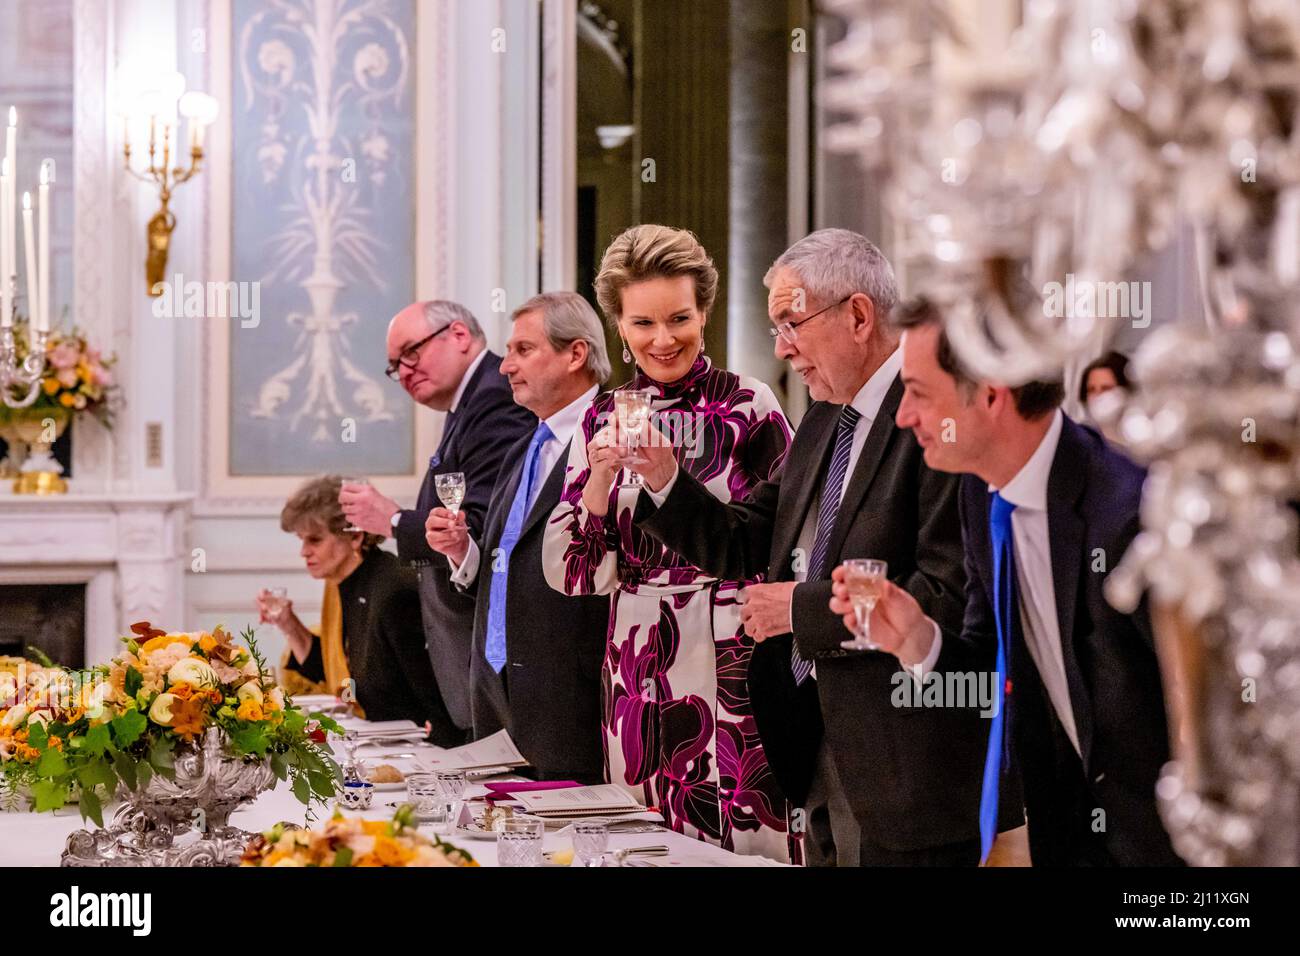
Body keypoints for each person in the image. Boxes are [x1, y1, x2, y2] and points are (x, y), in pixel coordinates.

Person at [632, 229, 1004, 866]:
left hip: (908, 761)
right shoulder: (825, 416)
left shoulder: (934, 419)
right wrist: (665, 478)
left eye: (791, 323)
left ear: (857, 316)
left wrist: (803, 612)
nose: (782, 348)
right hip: (814, 742)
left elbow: (946, 596)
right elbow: (747, 536)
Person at [830, 295, 1182, 866]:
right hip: (1068, 838)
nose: (902, 416)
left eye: (918, 393)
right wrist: (919, 641)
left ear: (991, 394)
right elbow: (991, 665)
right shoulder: (981, 490)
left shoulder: (1130, 515)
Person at [542, 224, 794, 859]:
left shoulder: (749, 407)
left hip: (735, 652)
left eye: (679, 318)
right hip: (637, 655)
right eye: (642, 323)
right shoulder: (602, 417)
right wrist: (599, 477)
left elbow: (791, 538)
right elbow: (576, 575)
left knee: (747, 832)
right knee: (643, 835)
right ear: (619, 328)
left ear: (704, 312)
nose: (663, 339)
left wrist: (668, 480)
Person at [424, 292, 611, 783]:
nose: (505, 366)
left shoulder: (612, 436)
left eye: (523, 350)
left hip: (573, 693)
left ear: (576, 354)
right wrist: (462, 551)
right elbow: (506, 557)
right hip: (495, 687)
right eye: (508, 351)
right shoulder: (527, 445)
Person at [339, 301, 535, 745]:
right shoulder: (466, 403)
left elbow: (482, 529)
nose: (404, 372)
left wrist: (391, 519)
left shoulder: (494, 397)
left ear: (460, 336)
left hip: (492, 648)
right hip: (459, 655)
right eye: (395, 366)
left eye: (411, 352)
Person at [260, 475, 448, 729]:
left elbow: (433, 699)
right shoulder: (342, 584)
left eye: (314, 540)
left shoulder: (392, 591)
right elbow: (335, 672)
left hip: (410, 748)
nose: (303, 551)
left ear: (355, 537)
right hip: (372, 735)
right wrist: (289, 625)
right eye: (301, 540)